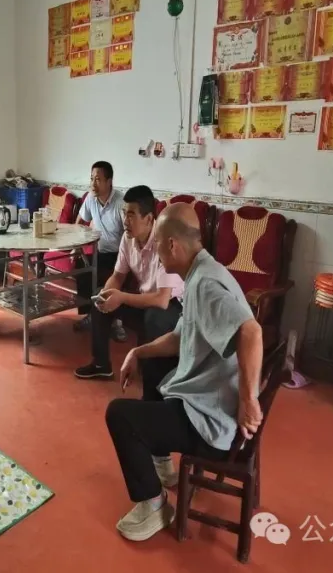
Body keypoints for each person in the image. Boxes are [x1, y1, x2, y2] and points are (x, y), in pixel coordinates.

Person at [104, 203, 264, 542]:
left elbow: (251, 332)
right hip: (210, 399)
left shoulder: (205, 285)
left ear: (172, 245)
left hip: (212, 423)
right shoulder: (203, 271)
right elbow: (180, 337)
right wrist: (137, 351)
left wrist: (249, 401)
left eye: (158, 247)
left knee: (119, 414)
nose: (158, 255)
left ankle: (154, 504)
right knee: (154, 361)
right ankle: (161, 458)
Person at [74, 186, 184, 385]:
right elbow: (118, 275)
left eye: (131, 215)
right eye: (124, 213)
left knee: (154, 317)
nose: (125, 221)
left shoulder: (164, 242)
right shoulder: (128, 238)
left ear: (149, 219)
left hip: (173, 308)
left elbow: (161, 300)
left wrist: (121, 297)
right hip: (146, 300)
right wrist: (106, 295)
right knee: (101, 297)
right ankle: (101, 365)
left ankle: (153, 379)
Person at [74, 161, 127, 341]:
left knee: (115, 273)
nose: (93, 184)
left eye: (97, 179)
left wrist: (125, 258)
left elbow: (129, 234)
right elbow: (80, 220)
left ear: (109, 181)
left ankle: (117, 322)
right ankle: (90, 314)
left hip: (119, 254)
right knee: (81, 265)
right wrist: (76, 245)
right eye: (91, 179)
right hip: (99, 252)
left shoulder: (121, 203)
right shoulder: (91, 198)